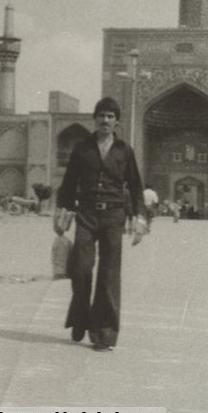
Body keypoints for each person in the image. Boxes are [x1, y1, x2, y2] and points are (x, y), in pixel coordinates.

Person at [55, 97, 146, 352]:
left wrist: (139, 218)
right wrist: (62, 215)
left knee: (109, 274)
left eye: (110, 116)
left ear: (116, 121)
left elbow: (136, 187)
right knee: (81, 269)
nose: (105, 120)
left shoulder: (124, 151)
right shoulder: (82, 149)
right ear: (94, 119)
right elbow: (69, 183)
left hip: (113, 216)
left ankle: (104, 332)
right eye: (101, 116)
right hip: (86, 214)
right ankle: (80, 319)